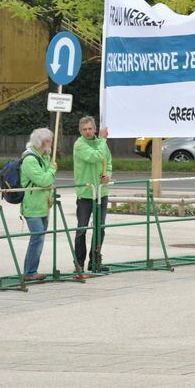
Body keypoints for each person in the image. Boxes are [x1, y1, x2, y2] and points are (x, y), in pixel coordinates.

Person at [73, 116, 112, 273]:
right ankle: (79, 263)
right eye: (84, 129)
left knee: (100, 228)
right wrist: (103, 139)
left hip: (101, 192)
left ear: (95, 129)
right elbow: (95, 156)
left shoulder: (101, 143)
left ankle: (95, 261)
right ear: (80, 131)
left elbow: (108, 161)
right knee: (82, 228)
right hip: (86, 193)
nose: (88, 132)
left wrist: (108, 175)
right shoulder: (79, 144)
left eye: (90, 128)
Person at [20, 128, 57, 282]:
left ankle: (31, 270)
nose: (51, 144)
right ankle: (29, 272)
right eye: (49, 141)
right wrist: (52, 169)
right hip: (32, 206)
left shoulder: (44, 157)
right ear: (41, 142)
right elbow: (44, 180)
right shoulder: (29, 159)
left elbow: (49, 183)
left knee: (39, 238)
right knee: (37, 238)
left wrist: (51, 197)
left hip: (43, 205)